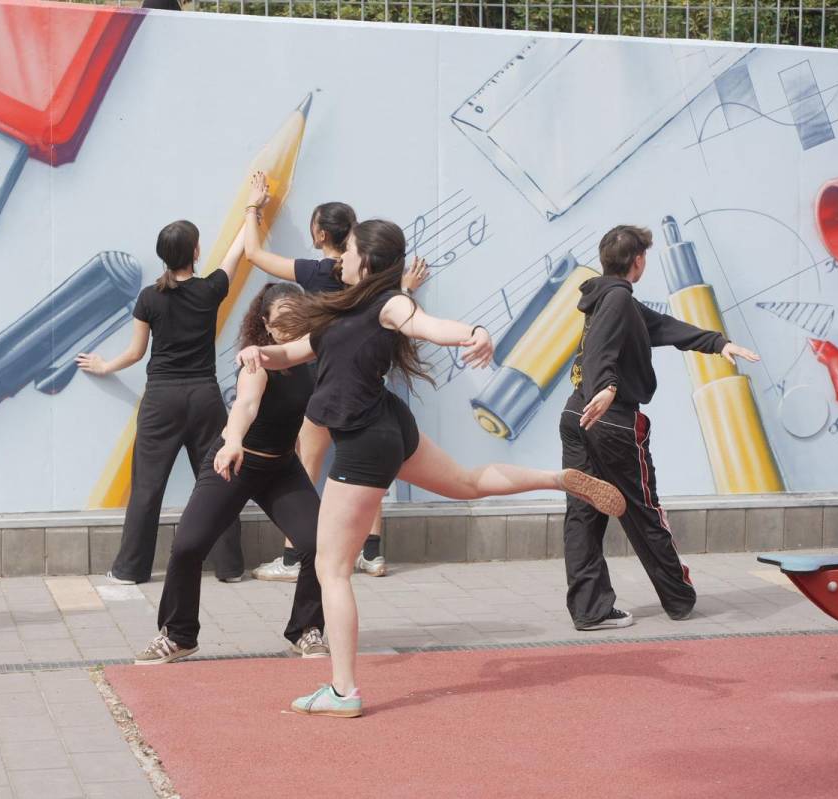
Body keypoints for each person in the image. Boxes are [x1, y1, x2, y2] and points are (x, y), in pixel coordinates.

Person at [238, 220, 625, 717]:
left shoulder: (388, 303)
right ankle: (557, 479)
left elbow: (429, 325)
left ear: (368, 261)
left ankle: (343, 691)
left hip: (363, 444)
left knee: (330, 569)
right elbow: (293, 352)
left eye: (349, 251)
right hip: (387, 427)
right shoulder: (343, 306)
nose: (341, 258)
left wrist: (476, 332)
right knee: (466, 484)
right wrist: (259, 353)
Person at [560, 225, 759, 631]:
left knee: (583, 513)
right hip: (610, 420)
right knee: (644, 511)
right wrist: (609, 388)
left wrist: (718, 344)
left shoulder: (607, 298)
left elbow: (663, 327)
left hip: (576, 416)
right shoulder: (617, 300)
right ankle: (679, 596)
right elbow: (601, 351)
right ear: (639, 261)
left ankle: (590, 609)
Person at [242, 172, 427, 580]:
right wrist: (408, 287)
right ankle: (372, 553)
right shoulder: (379, 278)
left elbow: (253, 254)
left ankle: (294, 557)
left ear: (322, 233)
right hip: (367, 387)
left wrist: (254, 205)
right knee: (370, 468)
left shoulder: (318, 272)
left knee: (306, 464)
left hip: (323, 384)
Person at [135, 283, 328, 664]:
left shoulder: (313, 354)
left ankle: (306, 629)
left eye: (297, 321)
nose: (289, 330)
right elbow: (246, 404)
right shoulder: (256, 362)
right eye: (280, 324)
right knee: (188, 546)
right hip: (235, 461)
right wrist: (233, 440)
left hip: (281, 468)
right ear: (265, 325)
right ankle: (178, 635)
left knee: (318, 543)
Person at [78, 222, 246, 584]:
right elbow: (235, 253)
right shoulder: (210, 289)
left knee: (147, 486)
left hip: (161, 400)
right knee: (219, 478)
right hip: (204, 396)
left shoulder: (149, 297)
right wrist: (254, 209)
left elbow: (137, 353)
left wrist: (105, 365)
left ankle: (130, 570)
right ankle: (230, 567)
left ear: (163, 256)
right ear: (196, 253)